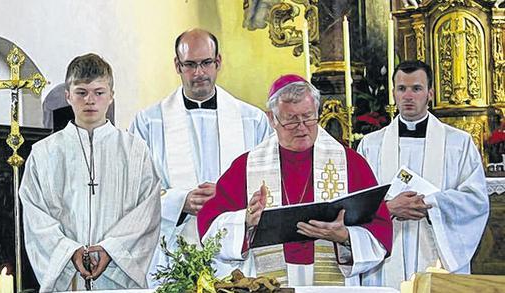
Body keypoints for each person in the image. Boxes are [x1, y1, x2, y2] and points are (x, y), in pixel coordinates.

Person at [198, 74, 392, 286]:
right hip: (268, 281)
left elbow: (380, 230)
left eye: (308, 117)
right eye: (291, 120)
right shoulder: (246, 167)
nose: (301, 127)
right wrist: (245, 221)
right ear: (272, 118)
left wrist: (345, 236)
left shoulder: (351, 164)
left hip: (334, 281)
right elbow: (209, 229)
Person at [130, 28, 271, 286]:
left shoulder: (252, 120)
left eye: (206, 63)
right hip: (172, 246)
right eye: (190, 65)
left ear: (218, 62)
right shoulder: (148, 122)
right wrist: (179, 200)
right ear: (177, 65)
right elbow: (134, 189)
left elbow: (269, 180)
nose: (199, 73)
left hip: (236, 248)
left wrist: (227, 194)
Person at [20, 53, 161, 292]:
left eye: (99, 92)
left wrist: (110, 250)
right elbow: (35, 215)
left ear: (111, 97)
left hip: (118, 279)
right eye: (81, 92)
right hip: (69, 280)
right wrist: (69, 251)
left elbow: (147, 212)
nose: (90, 101)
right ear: (68, 96)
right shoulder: (44, 154)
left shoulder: (135, 151)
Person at [357, 60, 489, 288]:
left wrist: (432, 204)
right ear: (393, 93)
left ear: (430, 93)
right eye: (402, 89)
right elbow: (358, 202)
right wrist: (388, 209)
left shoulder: (458, 143)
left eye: (416, 89)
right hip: (385, 258)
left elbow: (475, 201)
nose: (408, 96)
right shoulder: (371, 145)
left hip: (438, 253)